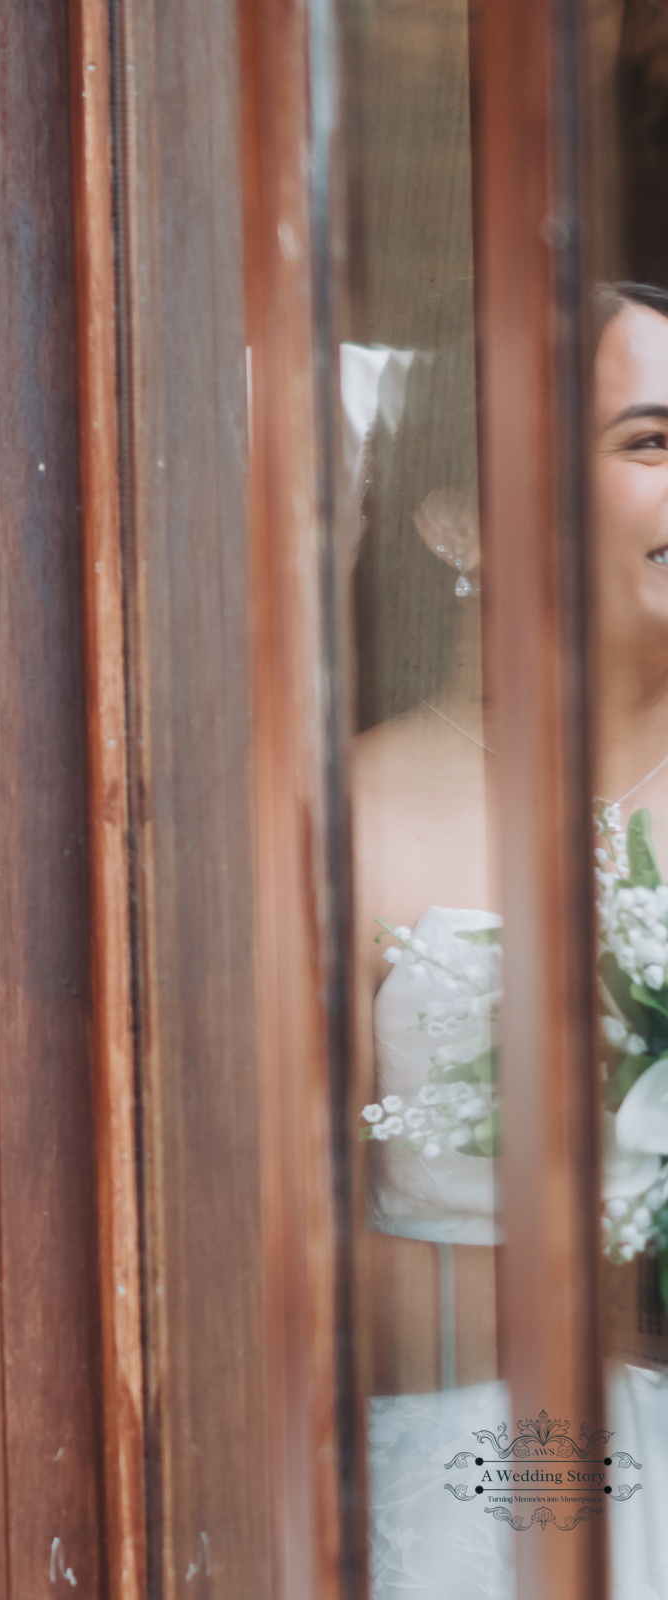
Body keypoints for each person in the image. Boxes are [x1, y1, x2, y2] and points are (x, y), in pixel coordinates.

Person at [348, 285, 668, 1596]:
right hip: (460, 1493)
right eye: (650, 441)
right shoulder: (342, 816)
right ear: (461, 522)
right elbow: (260, 1250)